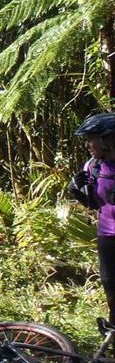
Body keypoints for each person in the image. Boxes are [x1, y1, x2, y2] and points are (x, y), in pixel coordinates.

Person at [68, 112, 115, 322]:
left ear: (108, 139)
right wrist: (78, 191)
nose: (88, 145)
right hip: (107, 236)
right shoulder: (93, 166)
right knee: (112, 291)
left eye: (91, 139)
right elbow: (94, 204)